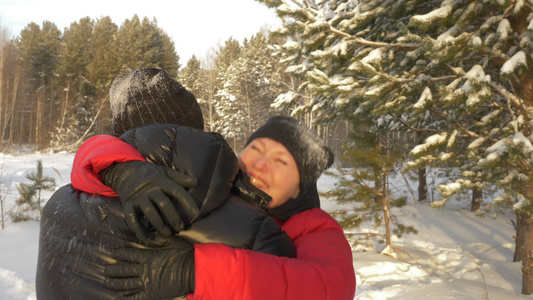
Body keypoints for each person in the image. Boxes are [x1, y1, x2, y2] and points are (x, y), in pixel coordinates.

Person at [35, 68, 296, 300]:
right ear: (195, 129)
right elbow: (303, 285)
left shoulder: (58, 208)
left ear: (120, 133)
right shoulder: (250, 228)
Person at [71, 114, 356, 298]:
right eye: (255, 148)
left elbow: (330, 287)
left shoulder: (313, 228)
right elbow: (95, 148)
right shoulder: (210, 183)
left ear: (300, 187)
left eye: (281, 161)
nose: (259, 164)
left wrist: (194, 272)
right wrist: (123, 171)